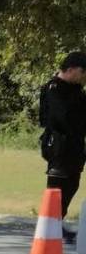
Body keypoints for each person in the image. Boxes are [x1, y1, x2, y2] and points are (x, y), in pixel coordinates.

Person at [39, 51, 86, 243]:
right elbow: (60, 118)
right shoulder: (53, 88)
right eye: (84, 73)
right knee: (57, 187)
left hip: (75, 146)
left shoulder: (75, 90)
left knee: (72, 184)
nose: (84, 78)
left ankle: (57, 223)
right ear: (73, 69)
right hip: (58, 146)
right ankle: (50, 227)